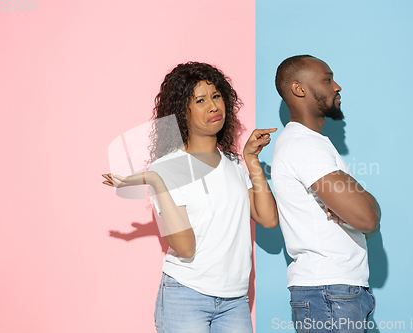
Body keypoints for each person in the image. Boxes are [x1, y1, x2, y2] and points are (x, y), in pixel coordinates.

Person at [102, 61, 278, 333]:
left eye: (217, 96)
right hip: (186, 295)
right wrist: (157, 182)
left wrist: (251, 160)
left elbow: (267, 219)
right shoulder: (167, 168)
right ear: (182, 112)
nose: (213, 106)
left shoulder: (232, 162)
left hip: (235, 300)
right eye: (200, 100)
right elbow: (185, 248)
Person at [271, 55, 381, 333]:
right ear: (299, 89)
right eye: (327, 79)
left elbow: (366, 213)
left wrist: (354, 199)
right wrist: (356, 200)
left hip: (336, 291)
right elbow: (368, 218)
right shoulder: (304, 145)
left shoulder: (312, 144)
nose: (337, 86)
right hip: (329, 293)